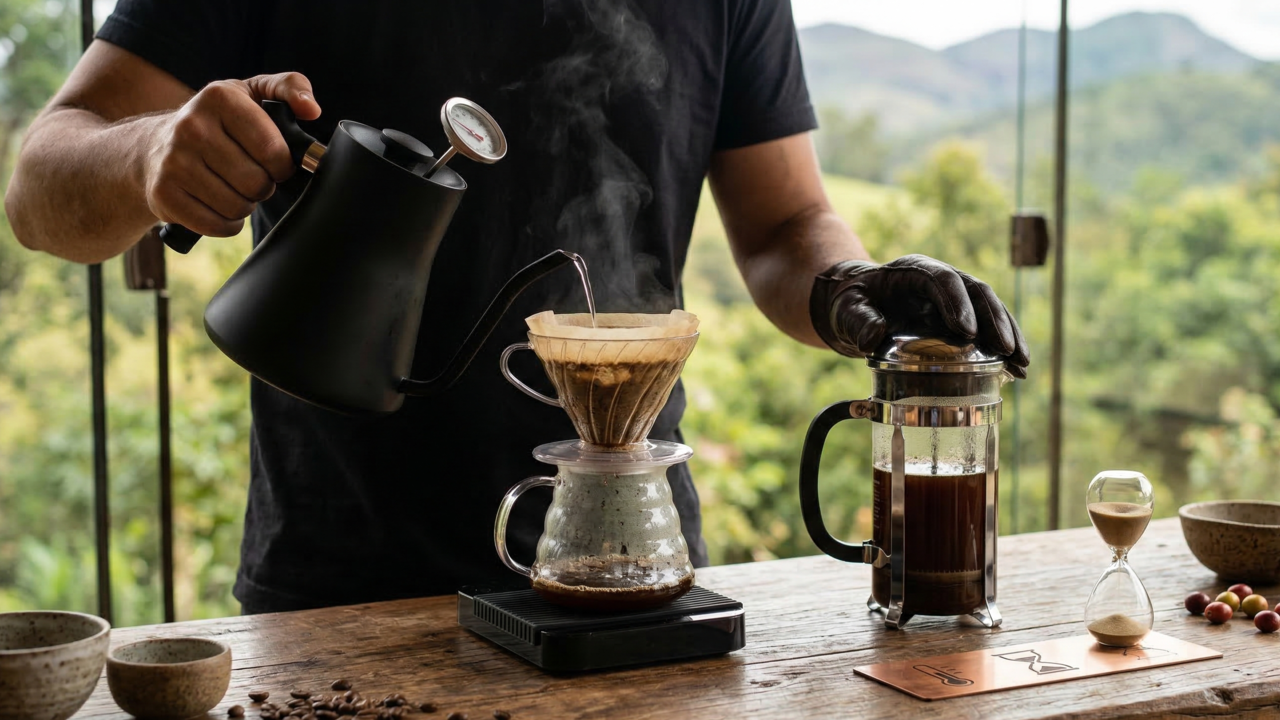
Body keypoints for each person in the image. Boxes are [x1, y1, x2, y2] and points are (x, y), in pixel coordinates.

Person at [4, 0, 1028, 614]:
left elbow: (781, 224)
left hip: (634, 558)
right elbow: (39, 188)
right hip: (341, 575)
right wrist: (148, 154)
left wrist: (851, 294)